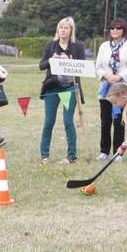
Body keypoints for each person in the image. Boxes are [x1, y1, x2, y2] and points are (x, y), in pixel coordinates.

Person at [38, 16, 85, 165]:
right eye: (61, 27)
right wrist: (52, 60)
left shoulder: (78, 46)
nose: (63, 30)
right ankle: (44, 155)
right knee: (49, 121)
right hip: (52, 87)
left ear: (71, 30)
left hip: (70, 87)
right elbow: (41, 65)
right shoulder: (51, 45)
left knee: (68, 121)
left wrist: (71, 62)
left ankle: (71, 155)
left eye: (66, 27)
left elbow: (82, 67)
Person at [95, 18, 127, 161]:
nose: (115, 30)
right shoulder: (104, 46)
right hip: (106, 89)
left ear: (123, 30)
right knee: (105, 121)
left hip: (122, 89)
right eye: (112, 28)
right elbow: (98, 66)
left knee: (120, 121)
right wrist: (107, 76)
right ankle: (104, 151)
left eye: (118, 28)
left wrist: (118, 77)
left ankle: (117, 153)